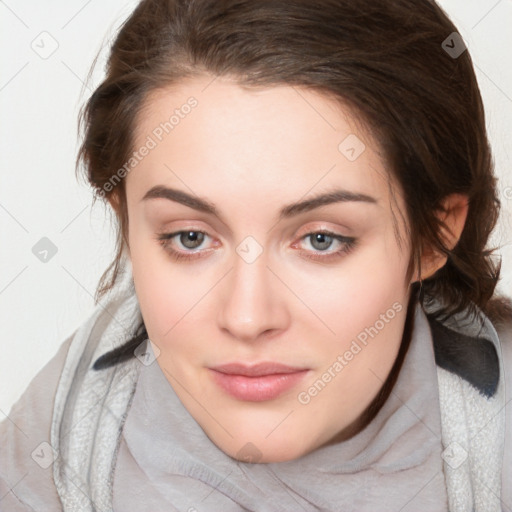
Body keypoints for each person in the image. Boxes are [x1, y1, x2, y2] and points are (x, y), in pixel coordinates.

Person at [1, 0, 511, 510]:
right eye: (190, 237)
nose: (247, 318)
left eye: (321, 239)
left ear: (434, 235)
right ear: (128, 220)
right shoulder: (62, 433)